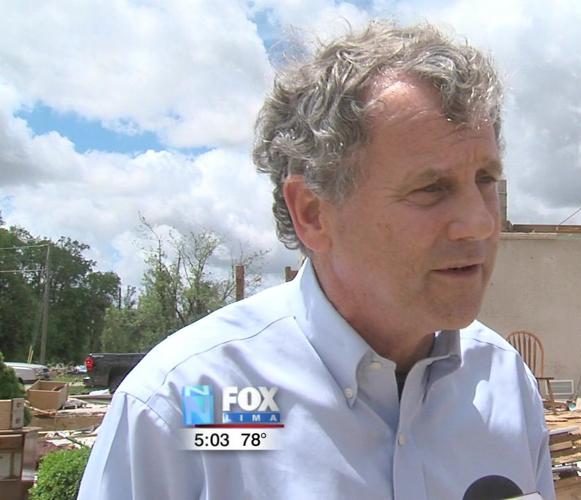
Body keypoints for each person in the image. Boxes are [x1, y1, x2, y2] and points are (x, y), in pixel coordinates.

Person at [79, 21, 554, 500]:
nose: (480, 223)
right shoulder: (188, 403)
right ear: (312, 213)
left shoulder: (503, 381)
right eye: (431, 188)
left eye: (486, 180)